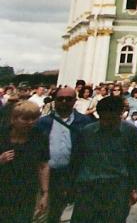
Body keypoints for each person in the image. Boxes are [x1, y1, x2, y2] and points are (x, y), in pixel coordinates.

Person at [69, 95, 137, 223]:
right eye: (103, 118)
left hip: (116, 188)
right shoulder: (87, 133)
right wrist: (72, 186)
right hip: (89, 188)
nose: (106, 123)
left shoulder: (131, 133)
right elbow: (77, 160)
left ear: (120, 114)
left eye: (111, 119)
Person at [35, 86, 92, 223]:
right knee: (42, 212)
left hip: (70, 173)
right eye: (61, 99)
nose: (64, 102)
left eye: (69, 99)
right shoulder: (43, 122)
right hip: (47, 174)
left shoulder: (84, 122)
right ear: (55, 101)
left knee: (59, 209)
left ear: (75, 101)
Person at [0, 100, 49, 222]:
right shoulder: (2, 134)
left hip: (26, 191)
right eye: (26, 119)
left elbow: (43, 165)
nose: (30, 122)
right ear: (14, 119)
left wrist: (45, 193)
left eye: (34, 119)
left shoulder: (39, 136)